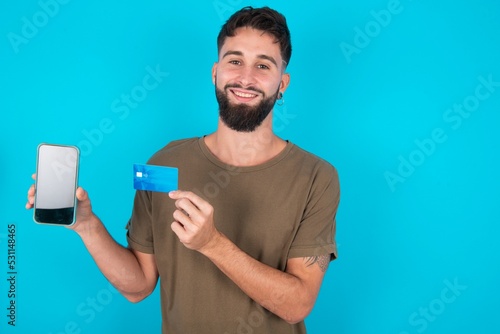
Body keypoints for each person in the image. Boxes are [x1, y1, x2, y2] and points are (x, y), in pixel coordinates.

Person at [26, 6, 340, 333]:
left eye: (263, 65)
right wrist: (87, 225)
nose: (246, 77)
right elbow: (139, 286)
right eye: (235, 61)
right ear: (215, 72)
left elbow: (297, 304)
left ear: (282, 84)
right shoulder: (162, 164)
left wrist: (212, 244)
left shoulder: (317, 177)